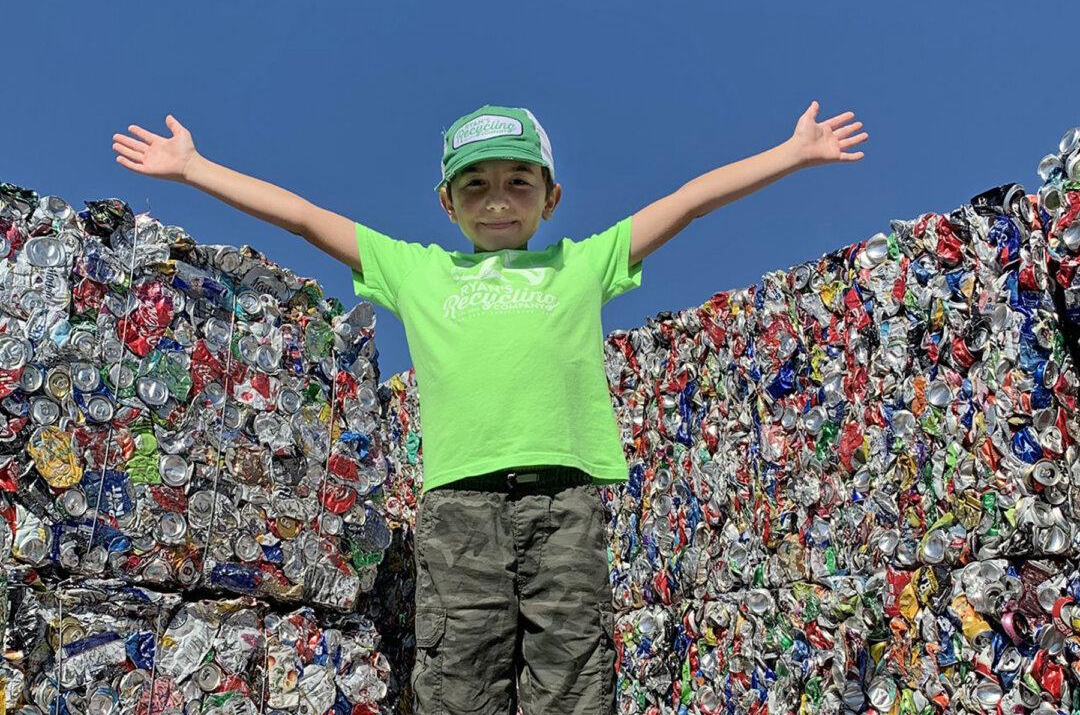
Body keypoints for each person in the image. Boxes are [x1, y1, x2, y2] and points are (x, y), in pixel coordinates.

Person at [112, 101, 867, 715]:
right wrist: (195, 167)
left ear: (551, 197)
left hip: (564, 501)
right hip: (460, 507)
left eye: (518, 181)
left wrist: (791, 153)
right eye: (474, 185)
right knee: (459, 674)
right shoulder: (416, 272)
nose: (497, 199)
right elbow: (306, 217)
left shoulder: (582, 264)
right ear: (447, 204)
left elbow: (688, 203)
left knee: (572, 671)